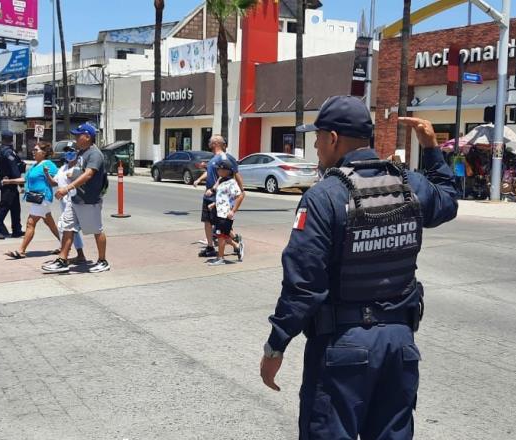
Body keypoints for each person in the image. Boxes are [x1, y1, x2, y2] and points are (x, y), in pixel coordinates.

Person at [258, 96, 458, 439]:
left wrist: (276, 345)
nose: (316, 146)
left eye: (318, 137)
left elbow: (304, 284)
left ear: (333, 138)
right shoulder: (408, 184)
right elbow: (448, 201)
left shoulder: (325, 197)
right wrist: (432, 150)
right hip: (400, 347)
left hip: (343, 348)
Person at [42, 123, 109, 274]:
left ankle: (102, 261)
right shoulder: (81, 152)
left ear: (88, 137)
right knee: (67, 227)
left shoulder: (95, 154)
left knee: (96, 230)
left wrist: (67, 188)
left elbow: (89, 174)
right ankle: (62, 260)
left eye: (78, 135)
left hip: (89, 200)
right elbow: (78, 170)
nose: (76, 138)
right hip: (75, 198)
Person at [0, 142, 61, 259]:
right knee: (50, 223)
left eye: (36, 150)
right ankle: (65, 243)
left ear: (43, 153)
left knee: (30, 223)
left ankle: (21, 251)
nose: (33, 151)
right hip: (36, 198)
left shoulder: (48, 164)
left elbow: (58, 178)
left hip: (42, 198)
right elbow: (24, 179)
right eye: (33, 150)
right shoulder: (34, 166)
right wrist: (9, 181)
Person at [192, 135, 243, 258]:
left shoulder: (225, 158)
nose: (208, 143)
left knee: (219, 225)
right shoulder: (213, 158)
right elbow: (209, 173)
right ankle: (210, 247)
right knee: (207, 221)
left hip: (218, 197)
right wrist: (199, 179)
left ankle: (235, 241)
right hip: (208, 195)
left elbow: (234, 174)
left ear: (216, 143)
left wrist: (242, 189)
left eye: (210, 141)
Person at [51, 144, 86, 264]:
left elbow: (79, 180)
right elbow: (54, 182)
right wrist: (45, 174)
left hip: (74, 202)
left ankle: (64, 254)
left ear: (77, 152)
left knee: (65, 227)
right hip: (64, 203)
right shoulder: (63, 168)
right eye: (66, 151)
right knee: (71, 229)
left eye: (71, 151)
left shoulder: (78, 168)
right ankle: (78, 254)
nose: (68, 153)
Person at [206, 160, 245, 266]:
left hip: (226, 214)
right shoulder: (222, 181)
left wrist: (233, 211)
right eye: (218, 169)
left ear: (227, 171)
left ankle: (220, 258)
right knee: (223, 235)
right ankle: (237, 246)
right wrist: (214, 204)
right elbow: (224, 197)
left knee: (220, 235)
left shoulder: (231, 182)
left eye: (220, 169)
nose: (218, 170)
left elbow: (239, 196)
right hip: (219, 212)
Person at [0, 130, 24, 240]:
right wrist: (21, 183)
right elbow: (14, 168)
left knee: (15, 207)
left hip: (2, 180)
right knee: (4, 207)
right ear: (11, 139)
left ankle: (17, 230)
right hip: (10, 181)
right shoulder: (8, 152)